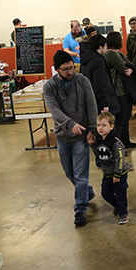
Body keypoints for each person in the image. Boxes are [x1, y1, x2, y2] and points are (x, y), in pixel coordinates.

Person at [43, 50, 98, 228]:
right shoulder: (49, 87)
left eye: (72, 67)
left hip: (80, 137)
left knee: (80, 175)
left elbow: (91, 105)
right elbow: (54, 110)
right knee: (69, 172)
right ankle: (86, 192)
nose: (70, 72)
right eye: (65, 69)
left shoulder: (82, 81)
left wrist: (92, 129)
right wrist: (69, 123)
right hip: (62, 136)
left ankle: (80, 210)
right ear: (56, 69)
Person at [103, 32, 136, 150]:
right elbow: (123, 68)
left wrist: (130, 68)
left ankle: (125, 141)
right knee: (120, 119)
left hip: (124, 89)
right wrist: (129, 68)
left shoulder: (117, 53)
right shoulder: (110, 54)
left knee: (126, 117)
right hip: (119, 90)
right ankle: (118, 146)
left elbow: (128, 65)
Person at [93, 111, 129, 224]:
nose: (100, 128)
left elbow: (120, 158)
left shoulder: (115, 142)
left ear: (111, 126)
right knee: (105, 193)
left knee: (120, 194)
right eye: (98, 125)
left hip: (118, 174)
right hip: (107, 174)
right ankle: (117, 206)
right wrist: (92, 145)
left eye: (104, 125)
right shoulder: (101, 140)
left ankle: (123, 213)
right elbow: (100, 154)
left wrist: (117, 174)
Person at [79, 34, 119, 116]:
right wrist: (105, 103)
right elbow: (99, 83)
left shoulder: (85, 60)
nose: (106, 48)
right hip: (100, 102)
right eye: (105, 45)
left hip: (90, 100)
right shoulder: (98, 61)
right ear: (100, 47)